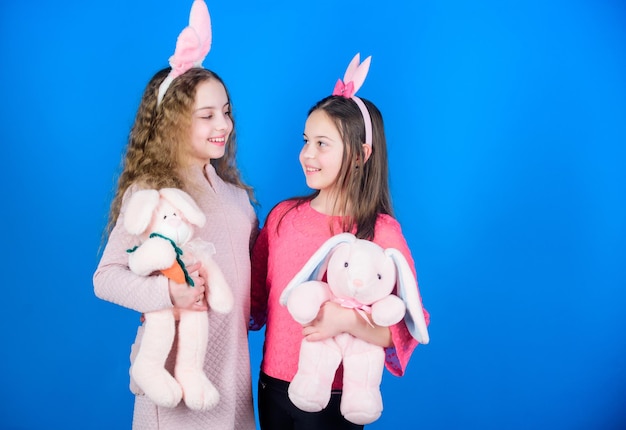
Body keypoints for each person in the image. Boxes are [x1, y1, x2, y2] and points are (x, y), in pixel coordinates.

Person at [93, 1, 257, 428]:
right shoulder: (153, 195)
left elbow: (249, 287)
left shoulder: (237, 198)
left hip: (232, 383)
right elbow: (106, 276)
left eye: (226, 112)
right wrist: (168, 295)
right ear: (172, 124)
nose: (223, 124)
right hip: (174, 386)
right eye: (206, 115)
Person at [249, 53, 430, 429]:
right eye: (305, 141)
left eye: (322, 143)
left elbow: (406, 325)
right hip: (272, 387)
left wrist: (347, 321)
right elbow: (252, 297)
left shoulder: (381, 232)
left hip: (335, 400)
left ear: (362, 154)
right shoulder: (283, 217)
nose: (306, 154)